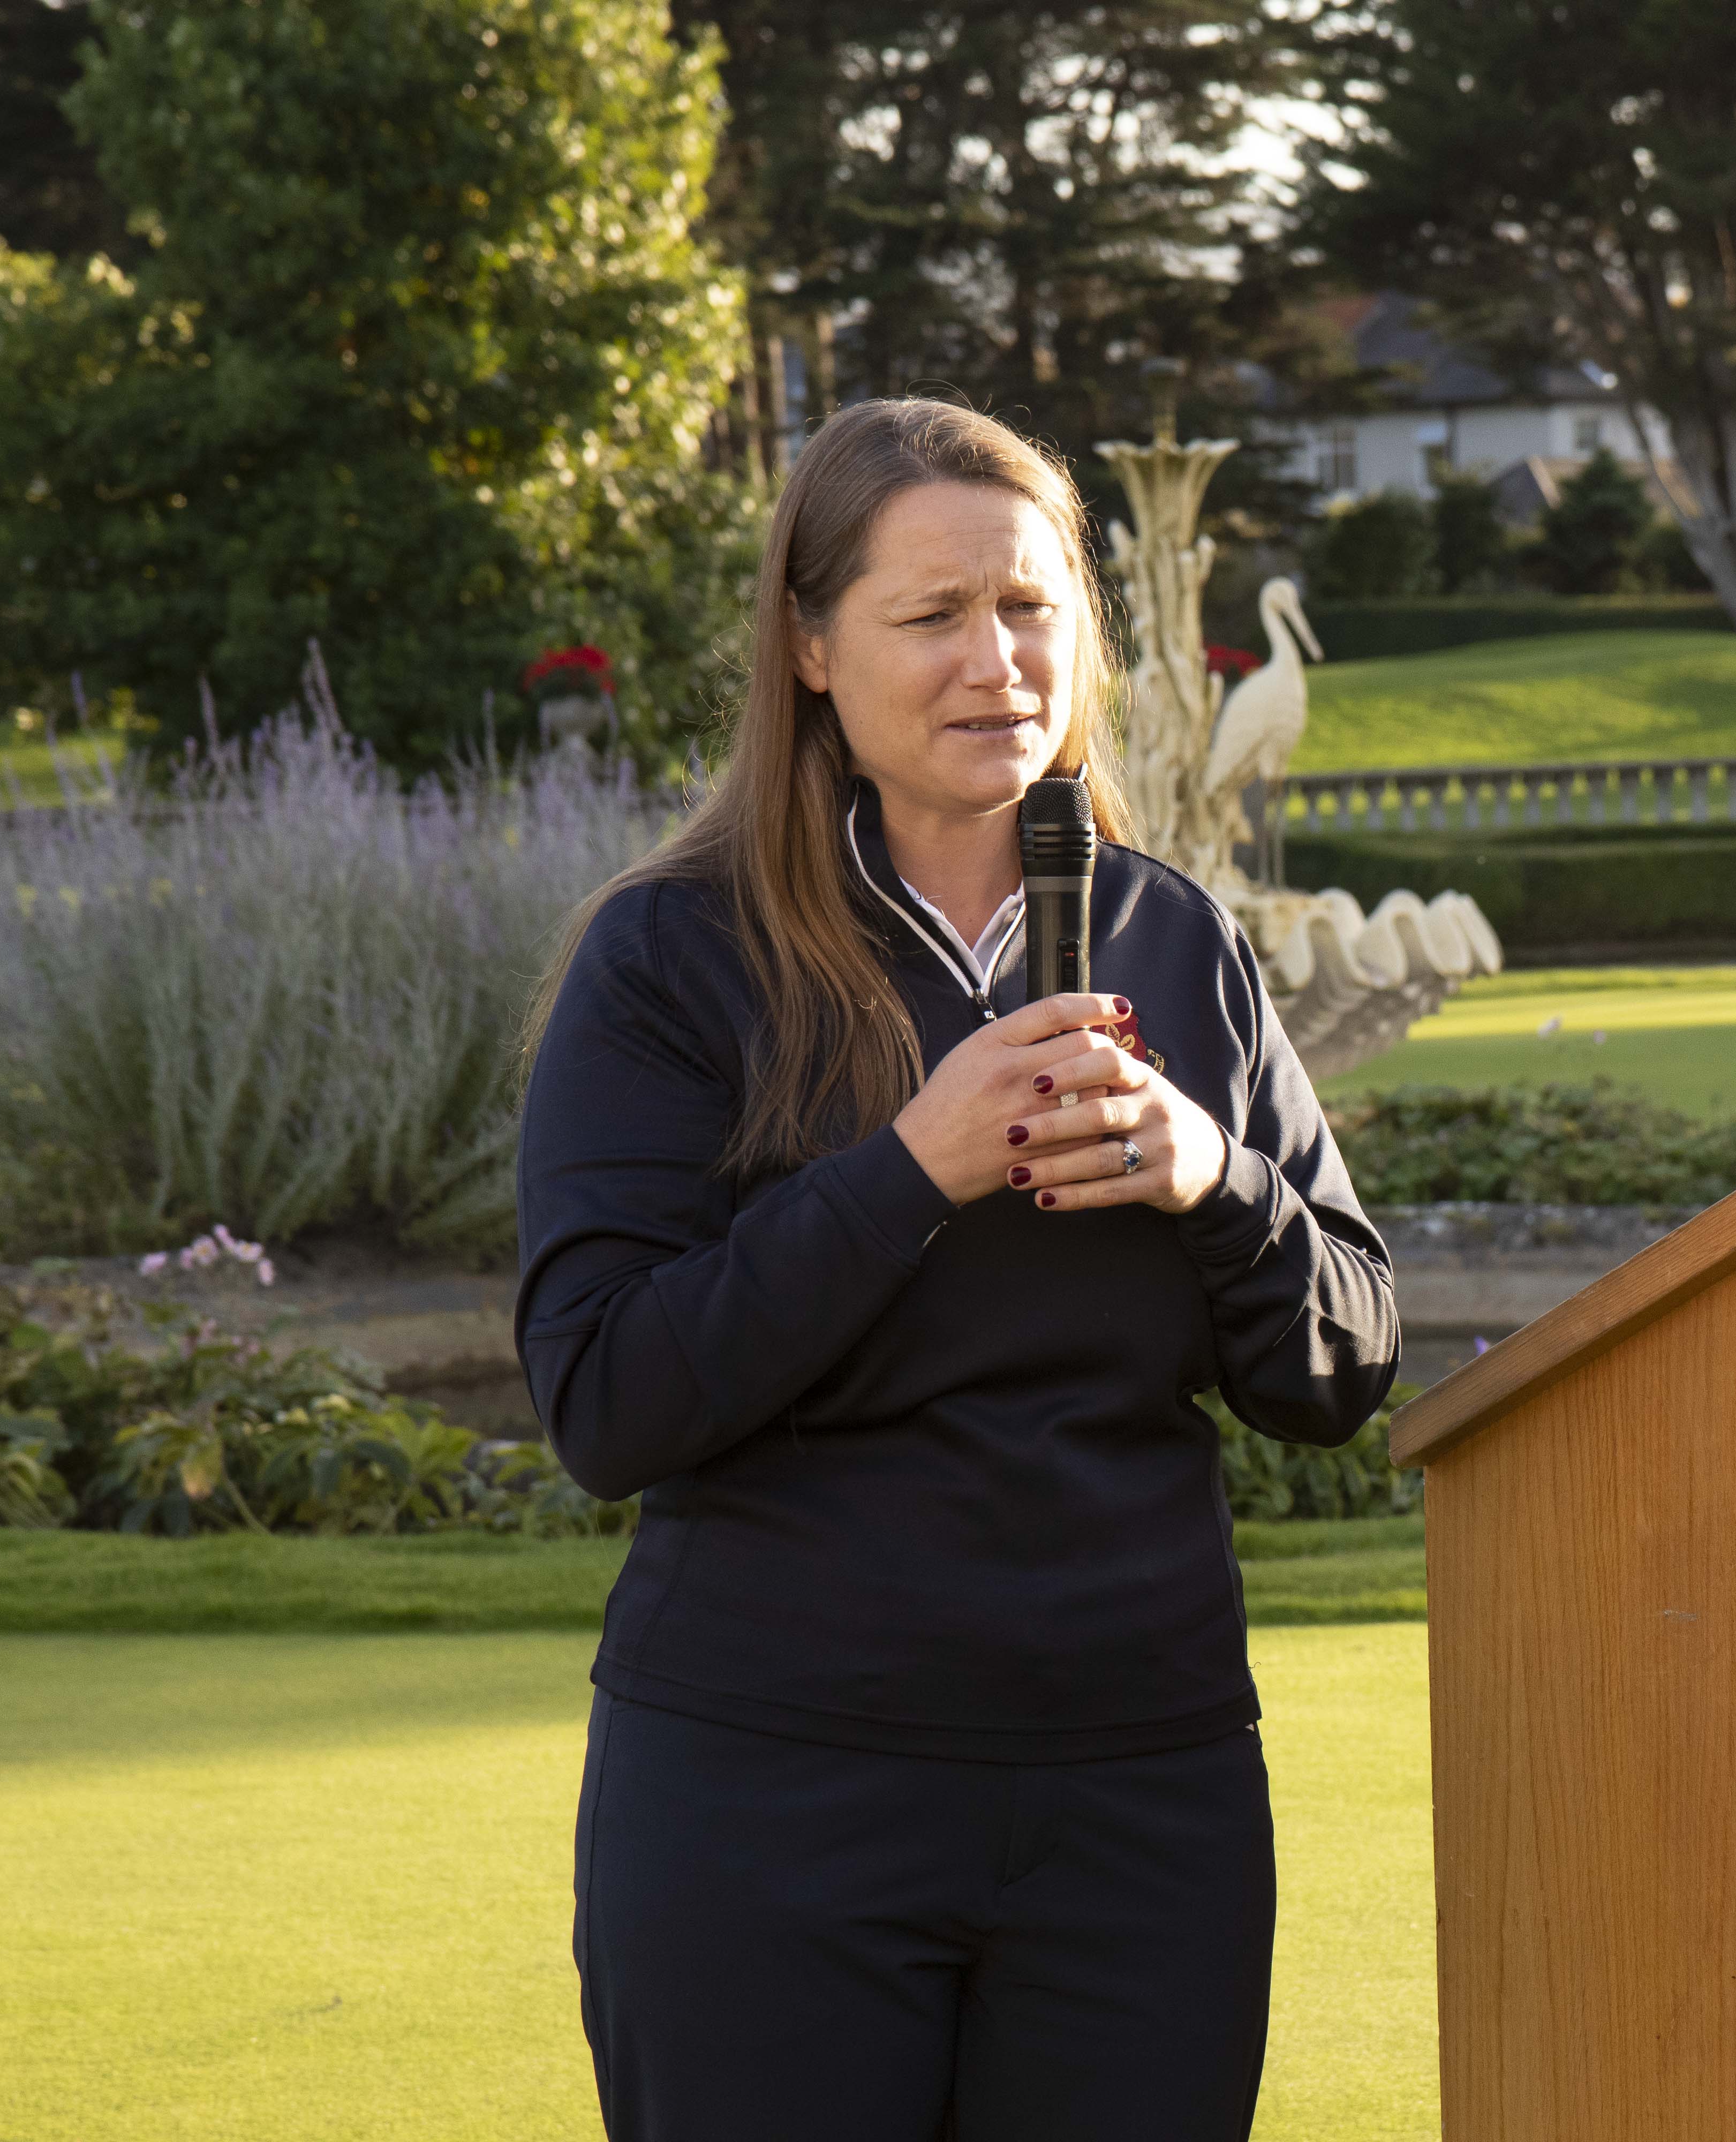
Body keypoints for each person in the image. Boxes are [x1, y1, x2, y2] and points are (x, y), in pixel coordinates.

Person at [515, 396, 1399, 2140]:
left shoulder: (1178, 937)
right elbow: (608, 1399)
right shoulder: (673, 956)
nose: (996, 662)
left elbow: (1343, 1366)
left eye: (1030, 608)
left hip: (1144, 1794)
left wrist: (1213, 1178)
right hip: (774, 1788)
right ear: (810, 648)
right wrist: (911, 1169)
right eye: (932, 615)